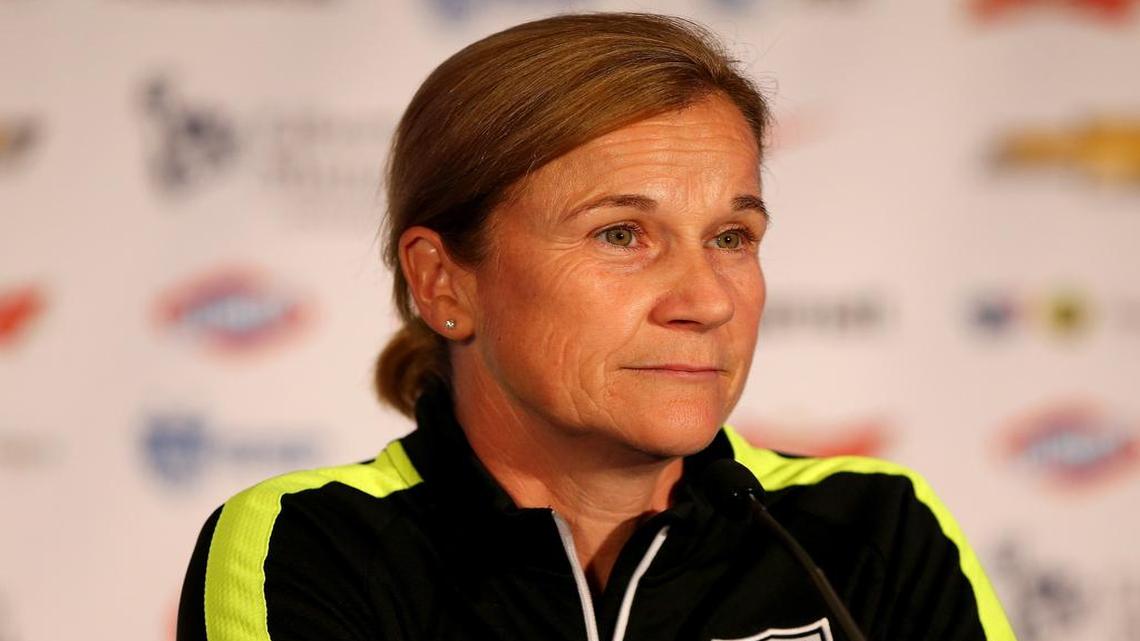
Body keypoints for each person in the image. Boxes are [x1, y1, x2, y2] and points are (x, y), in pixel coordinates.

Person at [176, 13, 1017, 641]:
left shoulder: (870, 529)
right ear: (443, 281)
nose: (706, 300)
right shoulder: (313, 542)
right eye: (621, 234)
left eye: (732, 237)